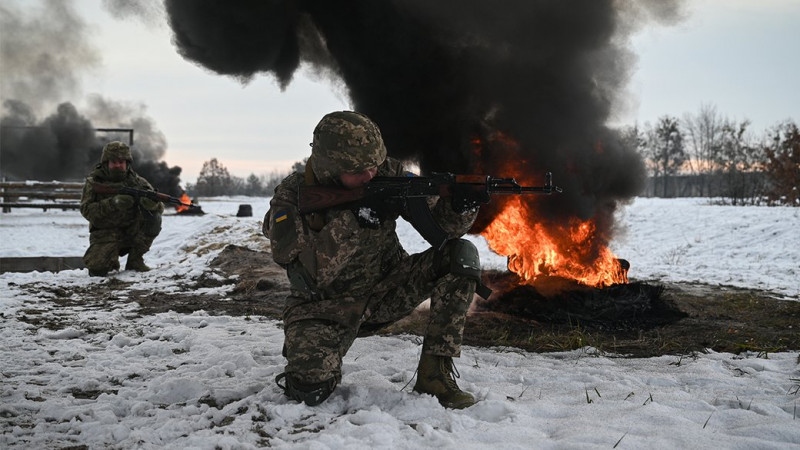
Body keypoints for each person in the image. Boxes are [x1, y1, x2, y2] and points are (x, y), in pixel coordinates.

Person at [263, 111, 487, 409]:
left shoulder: (386, 173)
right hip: (324, 308)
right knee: (309, 391)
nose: (371, 175)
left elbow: (444, 228)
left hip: (388, 290)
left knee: (460, 254)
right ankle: (308, 355)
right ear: (330, 167)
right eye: (359, 171)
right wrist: (355, 219)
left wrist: (459, 207)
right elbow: (307, 273)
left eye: (374, 166)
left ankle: (435, 374)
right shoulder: (292, 198)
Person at [80, 141, 164, 276]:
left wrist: (153, 205)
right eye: (114, 162)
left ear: (127, 163)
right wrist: (113, 203)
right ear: (106, 163)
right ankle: (111, 258)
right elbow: (86, 210)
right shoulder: (95, 182)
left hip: (131, 231)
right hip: (105, 233)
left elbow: (159, 208)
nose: (118, 165)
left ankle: (135, 260)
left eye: (121, 162)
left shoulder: (138, 182)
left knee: (155, 219)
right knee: (98, 270)